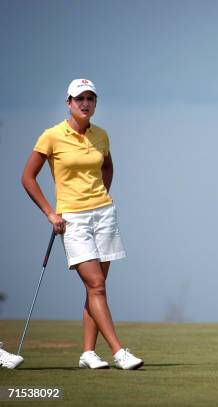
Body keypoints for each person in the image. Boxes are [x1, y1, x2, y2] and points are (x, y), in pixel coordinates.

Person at [21, 79, 143, 370]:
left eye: (90, 98)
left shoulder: (101, 135)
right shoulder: (51, 136)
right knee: (97, 285)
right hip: (72, 219)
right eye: (79, 99)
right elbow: (28, 177)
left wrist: (103, 195)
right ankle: (118, 351)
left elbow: (108, 165)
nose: (85, 103)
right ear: (69, 103)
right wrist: (51, 213)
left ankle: (88, 353)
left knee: (96, 288)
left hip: (103, 214)